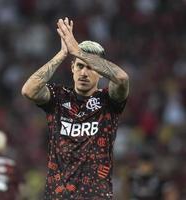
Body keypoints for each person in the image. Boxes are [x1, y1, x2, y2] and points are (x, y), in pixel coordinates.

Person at [21, 17, 129, 199]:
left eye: (90, 67)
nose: (84, 73)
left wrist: (78, 51)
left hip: (96, 195)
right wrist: (63, 54)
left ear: (100, 73)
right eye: (79, 66)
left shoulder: (108, 100)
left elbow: (122, 78)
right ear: (72, 68)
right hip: (57, 194)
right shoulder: (58, 96)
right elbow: (28, 90)